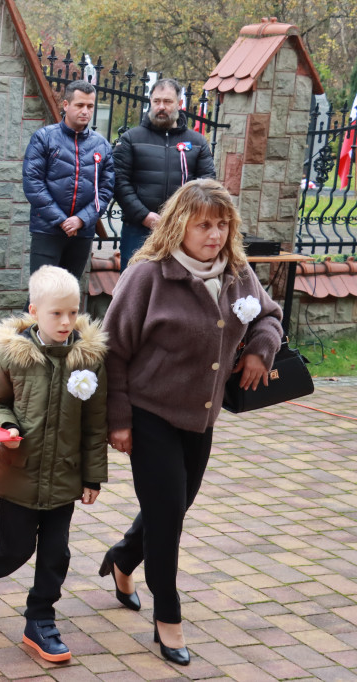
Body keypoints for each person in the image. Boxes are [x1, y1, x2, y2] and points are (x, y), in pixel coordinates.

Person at [102, 179, 282, 666]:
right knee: (167, 519)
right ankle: (168, 616)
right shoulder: (148, 276)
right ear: (181, 224)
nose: (215, 234)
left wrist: (261, 352)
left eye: (223, 224)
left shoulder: (237, 272)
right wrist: (118, 420)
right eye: (204, 224)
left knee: (173, 509)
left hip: (200, 419)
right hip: (149, 412)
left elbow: (268, 316)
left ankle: (122, 557)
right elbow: (112, 352)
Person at [0, 265, 108, 664]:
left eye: (72, 312)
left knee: (56, 553)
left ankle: (40, 618)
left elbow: (95, 424)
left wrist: (93, 475)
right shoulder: (12, 354)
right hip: (19, 472)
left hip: (64, 475)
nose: (66, 322)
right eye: (55, 313)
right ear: (34, 311)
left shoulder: (89, 359)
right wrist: (6, 426)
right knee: (15, 549)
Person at [114, 78, 216, 271]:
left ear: (179, 104)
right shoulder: (131, 139)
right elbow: (119, 182)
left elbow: (206, 184)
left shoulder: (197, 142)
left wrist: (182, 217)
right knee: (133, 288)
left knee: (180, 288)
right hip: (139, 229)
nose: (161, 107)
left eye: (167, 102)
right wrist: (144, 216)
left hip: (184, 229)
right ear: (150, 102)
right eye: (156, 101)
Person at [23, 80, 114, 281]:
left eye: (90, 106)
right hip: (48, 230)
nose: (85, 111)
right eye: (80, 105)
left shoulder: (102, 146)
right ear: (66, 105)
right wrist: (62, 220)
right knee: (42, 295)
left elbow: (105, 190)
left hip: (82, 234)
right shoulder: (44, 138)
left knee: (67, 295)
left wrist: (81, 220)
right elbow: (33, 183)